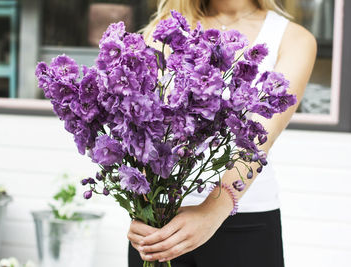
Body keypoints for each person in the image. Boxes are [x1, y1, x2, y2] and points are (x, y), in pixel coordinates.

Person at [127, 0, 317, 266]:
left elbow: (260, 137)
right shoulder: (165, 30)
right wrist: (142, 207)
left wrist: (210, 213)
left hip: (245, 224)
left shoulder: (292, 38)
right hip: (160, 226)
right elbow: (142, 129)